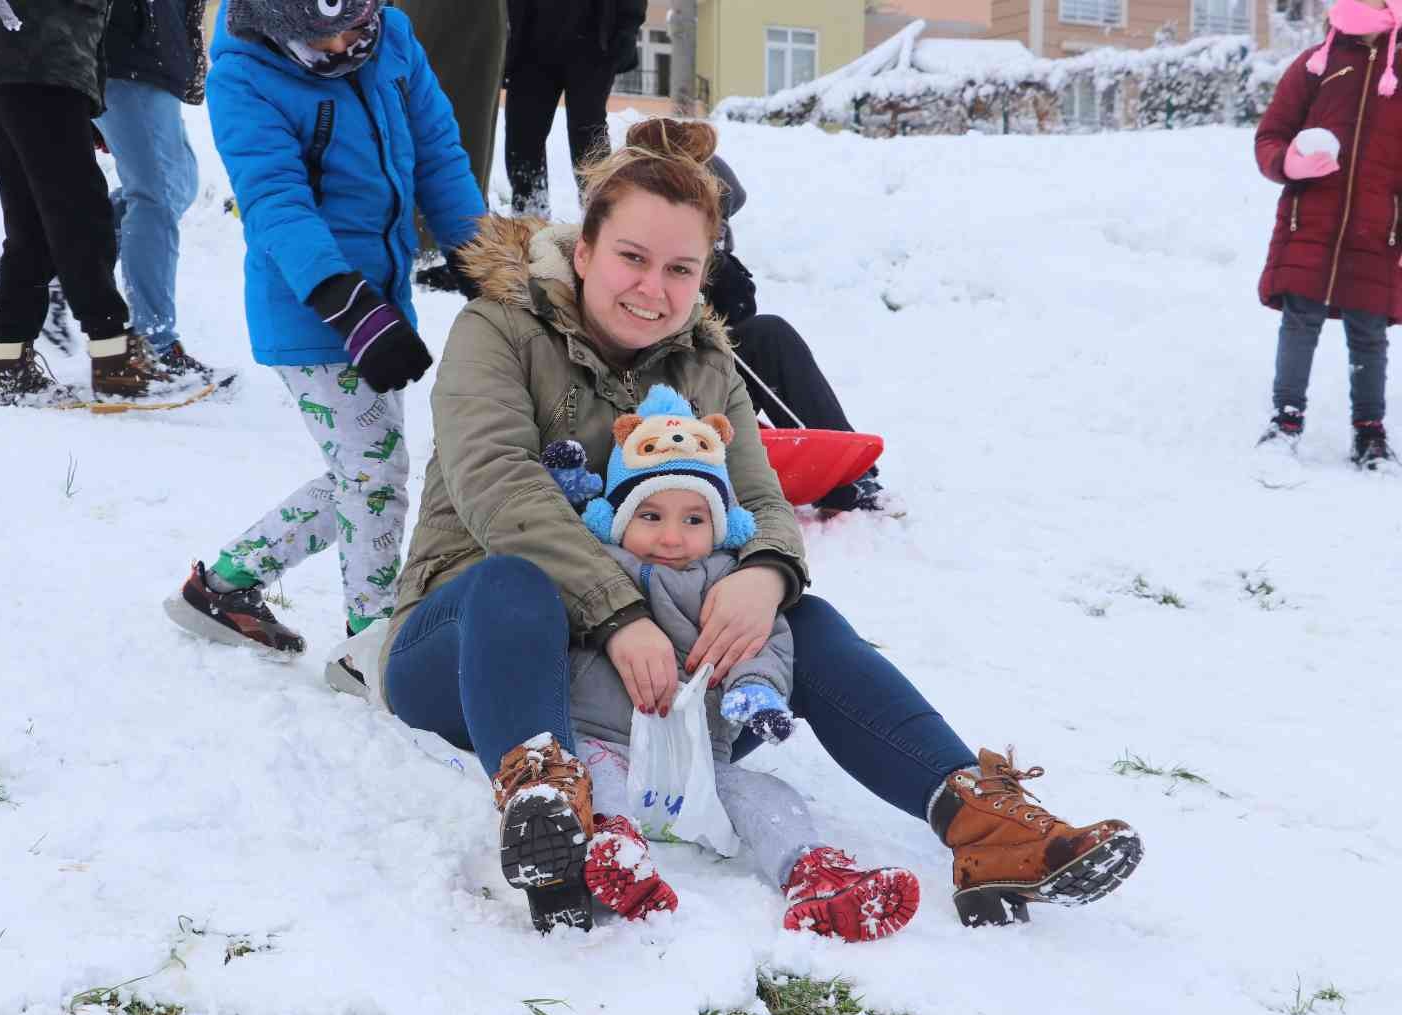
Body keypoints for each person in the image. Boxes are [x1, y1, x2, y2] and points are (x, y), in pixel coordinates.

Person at [378, 117, 1145, 935]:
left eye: (680, 269)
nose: (653, 288)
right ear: (583, 252)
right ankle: (551, 816)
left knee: (800, 621)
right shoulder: (496, 332)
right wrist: (618, 611)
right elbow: (497, 485)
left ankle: (979, 822)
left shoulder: (705, 361)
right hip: (483, 649)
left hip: (651, 682)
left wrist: (765, 573)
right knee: (513, 582)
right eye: (632, 257)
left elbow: (762, 499)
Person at [529, 387, 922, 940]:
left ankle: (812, 873)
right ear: (616, 517)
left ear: (720, 525)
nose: (671, 537)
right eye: (650, 515)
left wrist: (756, 691)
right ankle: (612, 850)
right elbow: (551, 549)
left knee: (765, 794)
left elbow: (765, 642)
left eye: (694, 519)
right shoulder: (596, 561)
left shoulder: (725, 581)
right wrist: (565, 491)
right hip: (603, 737)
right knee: (596, 779)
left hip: (696, 762)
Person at [163, 0, 484, 666]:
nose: (342, 45)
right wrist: (349, 306)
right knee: (373, 475)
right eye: (319, 37)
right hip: (312, 304)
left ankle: (224, 585)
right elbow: (277, 201)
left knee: (363, 472)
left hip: (382, 297)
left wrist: (482, 260)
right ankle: (373, 644)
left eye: (353, 28)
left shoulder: (391, 35)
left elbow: (438, 154)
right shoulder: (244, 76)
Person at [0, 0, 185, 404]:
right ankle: (114, 358)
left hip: (4, 54)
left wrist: (86, 98)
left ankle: (6, 362)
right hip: (36, 50)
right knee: (79, 212)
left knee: (33, 221)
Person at [1254, 0, 1400, 469]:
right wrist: (1287, 163)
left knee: (1369, 331)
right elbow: (1270, 135)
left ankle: (1369, 433)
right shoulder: (1316, 63)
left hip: (1379, 226)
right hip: (1311, 216)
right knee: (1300, 319)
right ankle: (1286, 421)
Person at [704, 154, 882, 512]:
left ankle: (845, 468)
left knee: (769, 336)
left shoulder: (706, 251)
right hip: (647, 389)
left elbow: (739, 314)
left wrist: (714, 262)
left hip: (703, 377)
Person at [94, 0, 213, 380]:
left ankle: (60, 266)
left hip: (156, 53)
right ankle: (155, 343)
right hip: (126, 50)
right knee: (156, 195)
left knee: (176, 186)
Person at [399, 0, 506, 295]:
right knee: (424, 112)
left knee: (460, 123)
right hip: (432, 17)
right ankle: (431, 241)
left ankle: (447, 245)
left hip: (467, 17)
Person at [503, 0, 646, 216]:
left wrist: (628, 28)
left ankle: (597, 216)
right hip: (529, 42)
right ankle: (529, 216)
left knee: (587, 134)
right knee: (522, 133)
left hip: (594, 42)